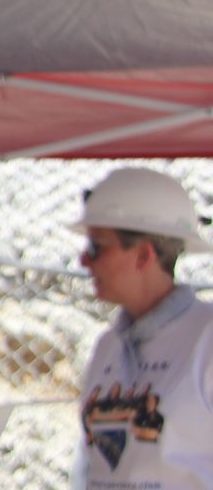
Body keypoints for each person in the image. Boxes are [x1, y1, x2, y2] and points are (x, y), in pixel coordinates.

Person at [72, 167, 213, 487]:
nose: (83, 261)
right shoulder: (108, 345)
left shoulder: (207, 337)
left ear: (143, 255)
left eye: (97, 247)